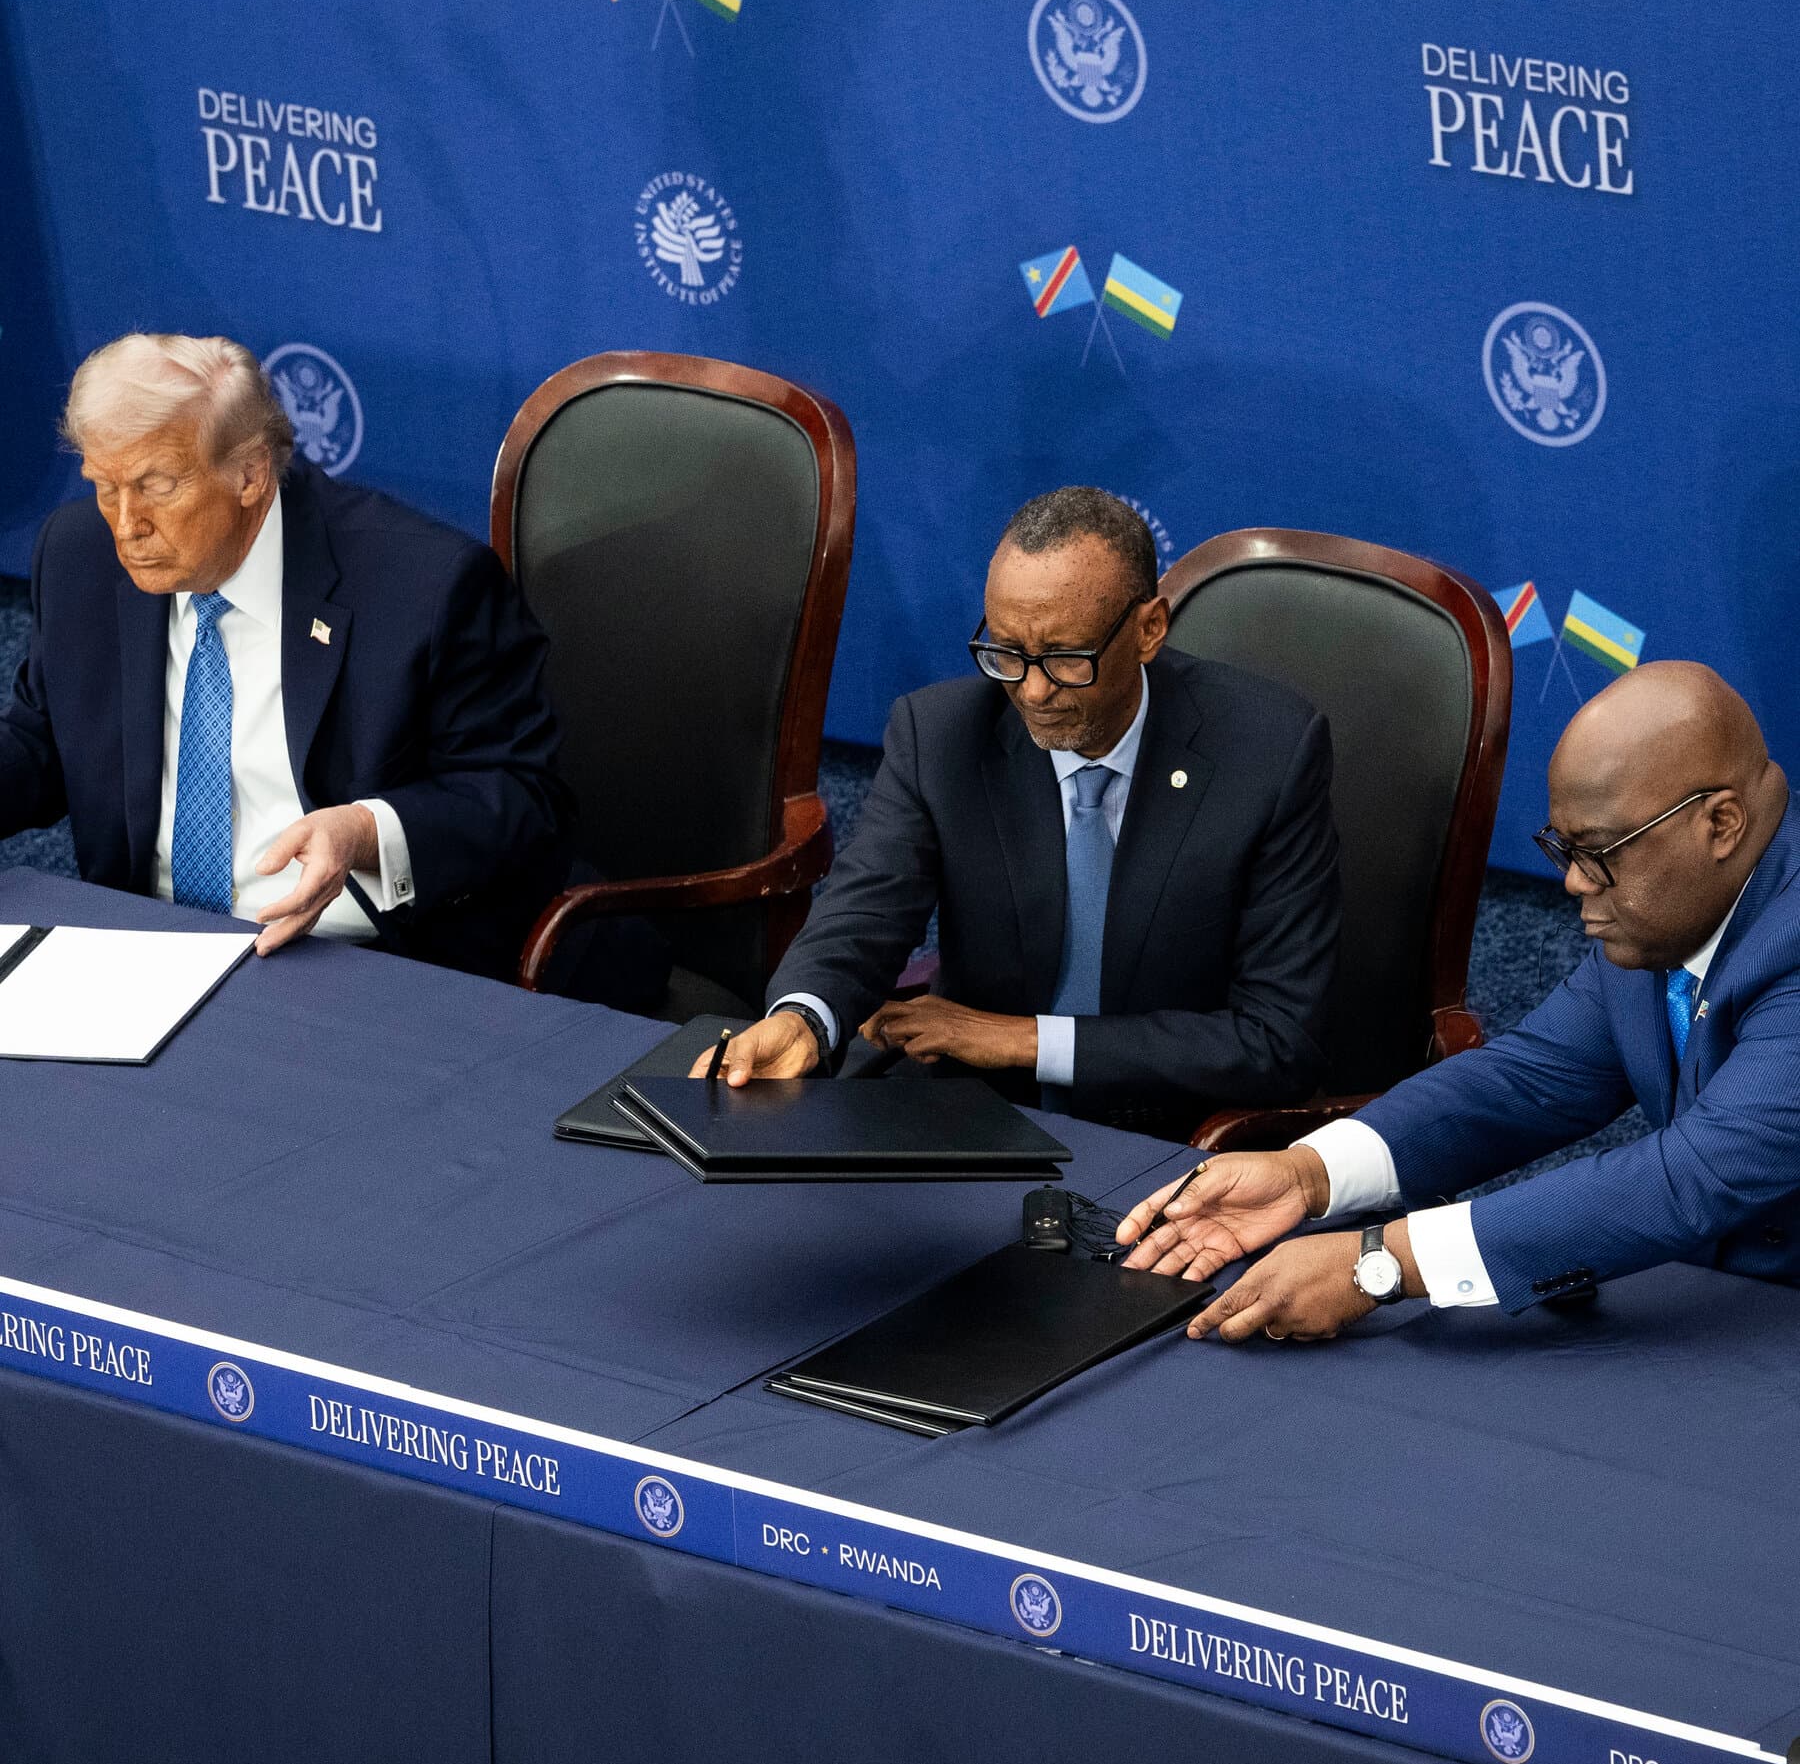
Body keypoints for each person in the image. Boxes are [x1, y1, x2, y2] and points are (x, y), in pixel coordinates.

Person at [1116, 661, 1800, 1337]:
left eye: (1599, 852)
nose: (1572, 884)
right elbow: (1529, 1078)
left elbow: (1694, 1178)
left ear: (1721, 823)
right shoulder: (1664, 912)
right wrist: (1307, 1174)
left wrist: (1382, 1263)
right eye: (1563, 849)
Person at [692, 486, 1340, 1136]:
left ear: (1149, 630)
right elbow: (866, 909)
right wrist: (802, 1018)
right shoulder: (941, 734)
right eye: (1006, 652)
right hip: (977, 1113)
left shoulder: (1269, 753)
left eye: (1064, 658)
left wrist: (1025, 1040)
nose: (1032, 690)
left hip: (1174, 1131)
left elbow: (1276, 1040)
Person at [0, 331, 576, 982]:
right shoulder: (78, 554)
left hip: (348, 961)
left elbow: (525, 798)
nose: (125, 524)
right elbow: (44, 737)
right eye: (104, 486)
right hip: (143, 957)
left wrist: (365, 832)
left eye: (155, 486)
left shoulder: (426, 586)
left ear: (248, 473)